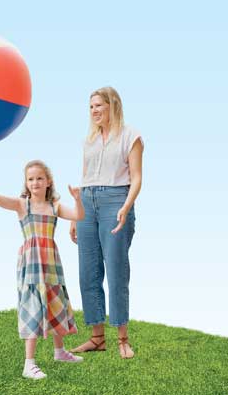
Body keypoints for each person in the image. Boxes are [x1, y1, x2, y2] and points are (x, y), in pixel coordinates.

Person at [0, 152, 84, 380]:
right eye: (30, 179)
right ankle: (29, 364)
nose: (35, 183)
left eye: (39, 178)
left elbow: (78, 216)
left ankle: (59, 351)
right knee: (33, 306)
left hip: (51, 261)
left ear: (48, 181)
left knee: (55, 302)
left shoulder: (55, 206)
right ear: (26, 183)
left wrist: (77, 199)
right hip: (32, 263)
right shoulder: (23, 205)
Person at [70, 86, 143, 359]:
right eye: (91, 107)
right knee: (87, 273)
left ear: (113, 105)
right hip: (87, 202)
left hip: (116, 200)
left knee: (116, 271)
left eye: (99, 105)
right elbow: (85, 175)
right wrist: (77, 213)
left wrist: (126, 206)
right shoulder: (89, 140)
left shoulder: (130, 136)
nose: (94, 111)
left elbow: (136, 177)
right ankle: (97, 338)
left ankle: (122, 339)